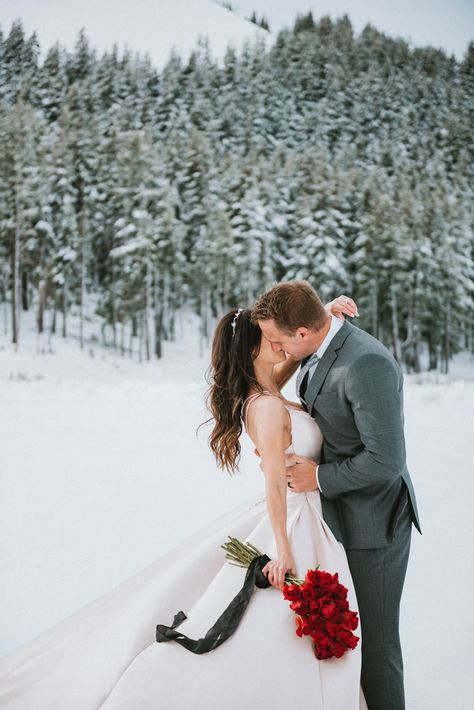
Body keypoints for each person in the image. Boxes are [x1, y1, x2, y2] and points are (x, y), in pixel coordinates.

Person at [0, 292, 366, 710]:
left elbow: (298, 352)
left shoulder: (268, 385)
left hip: (310, 516)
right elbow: (272, 482)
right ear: (251, 347)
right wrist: (282, 551)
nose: (281, 342)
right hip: (293, 520)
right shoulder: (264, 405)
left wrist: (325, 318)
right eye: (270, 337)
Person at [252, 280, 421, 710]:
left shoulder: (367, 364)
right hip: (334, 519)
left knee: (377, 644)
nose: (273, 347)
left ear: (304, 333)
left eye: (277, 340)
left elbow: (387, 460)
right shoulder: (317, 343)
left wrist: (320, 478)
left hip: (375, 522)